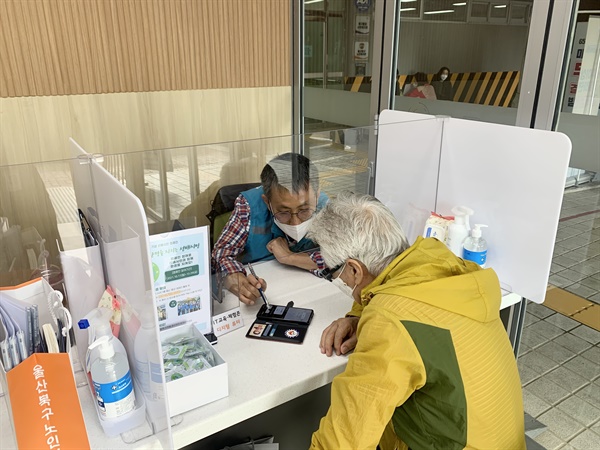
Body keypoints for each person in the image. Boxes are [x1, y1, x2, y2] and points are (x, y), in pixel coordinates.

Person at [307, 192, 525, 450]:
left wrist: (372, 315)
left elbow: (345, 440)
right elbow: (390, 285)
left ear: (354, 269)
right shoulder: (439, 261)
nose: (338, 281)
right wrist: (358, 313)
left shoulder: (389, 321)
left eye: (334, 273)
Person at [212, 153, 328, 305]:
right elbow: (221, 254)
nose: (295, 222)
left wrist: (289, 257)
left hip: (313, 293)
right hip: (266, 292)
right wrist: (234, 277)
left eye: (304, 210)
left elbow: (344, 259)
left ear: (317, 196)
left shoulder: (325, 206)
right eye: (283, 212)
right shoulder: (248, 206)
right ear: (267, 202)